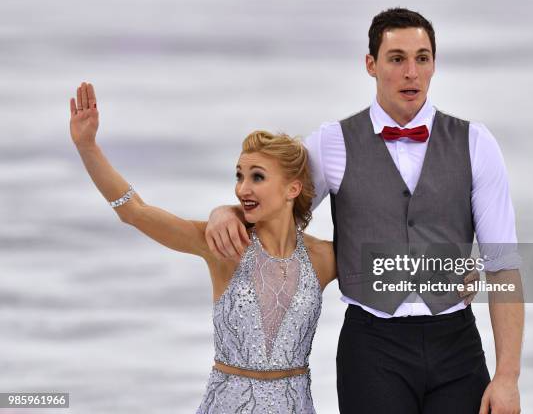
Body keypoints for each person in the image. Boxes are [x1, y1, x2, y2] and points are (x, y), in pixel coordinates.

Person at [69, 82, 480, 413]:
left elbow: (392, 268)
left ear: (292, 189)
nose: (242, 188)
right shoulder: (223, 247)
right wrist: (89, 148)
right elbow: (135, 212)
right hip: (227, 404)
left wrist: (461, 272)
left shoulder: (322, 258)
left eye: (257, 177)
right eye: (239, 175)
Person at [205, 8, 524, 414]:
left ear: (433, 65)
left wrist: (507, 377)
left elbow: (503, 264)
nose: (411, 72)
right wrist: (227, 212)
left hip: (457, 346)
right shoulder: (333, 143)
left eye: (422, 58)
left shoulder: (476, 143)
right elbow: (275, 210)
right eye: (397, 59)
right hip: (372, 349)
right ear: (371, 64)